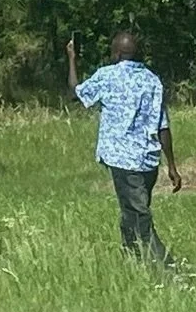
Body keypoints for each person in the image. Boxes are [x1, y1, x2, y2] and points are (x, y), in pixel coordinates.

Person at [66, 30, 182, 265]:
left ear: (117, 53)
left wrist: (71, 58)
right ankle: (131, 260)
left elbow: (75, 94)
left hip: (122, 160)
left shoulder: (108, 76)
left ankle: (167, 267)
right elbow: (163, 125)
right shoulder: (152, 80)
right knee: (131, 212)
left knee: (139, 216)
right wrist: (171, 166)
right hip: (149, 161)